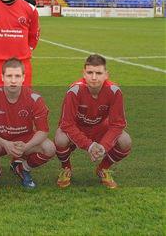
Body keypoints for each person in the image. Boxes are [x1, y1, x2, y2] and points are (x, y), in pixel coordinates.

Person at [55, 54, 131, 189]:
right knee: (60, 137)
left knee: (125, 141)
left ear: (106, 74)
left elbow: (117, 124)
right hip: (78, 128)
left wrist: (103, 147)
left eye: (98, 73)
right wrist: (89, 146)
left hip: (99, 128)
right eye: (90, 72)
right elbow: (67, 124)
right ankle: (66, 168)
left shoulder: (115, 91)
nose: (94, 77)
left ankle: (103, 168)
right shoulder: (75, 91)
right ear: (84, 73)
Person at [0, 58, 55, 189]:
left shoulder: (35, 98)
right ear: (2, 77)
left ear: (23, 78)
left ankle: (23, 168)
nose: (13, 80)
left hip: (24, 141)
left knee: (49, 148)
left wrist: (26, 146)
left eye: (17, 76)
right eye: (9, 76)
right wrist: (5, 143)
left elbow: (42, 130)